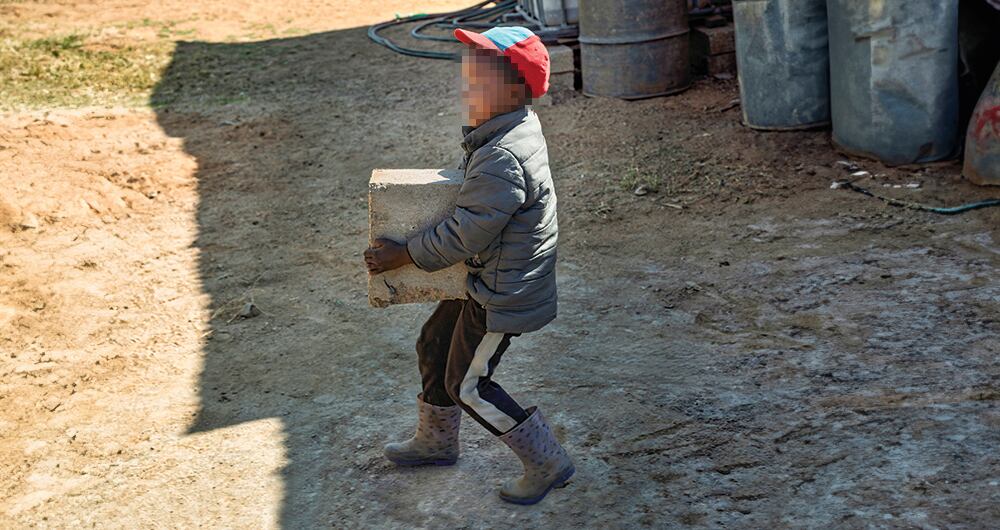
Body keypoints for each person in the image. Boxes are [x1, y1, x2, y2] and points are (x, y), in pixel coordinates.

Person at [363, 26, 571, 505]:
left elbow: (467, 231)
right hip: (487, 276)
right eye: (467, 76)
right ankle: (436, 440)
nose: (466, 87)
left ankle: (546, 461)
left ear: (516, 91)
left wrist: (406, 253)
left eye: (480, 80)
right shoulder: (510, 129)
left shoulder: (502, 155)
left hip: (502, 294)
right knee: (434, 343)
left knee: (469, 385)